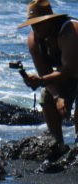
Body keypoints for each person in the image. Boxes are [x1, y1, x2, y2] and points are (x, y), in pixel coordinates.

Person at [20, 0, 78, 148]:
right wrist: (58, 96)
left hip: (71, 69)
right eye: (33, 24)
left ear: (50, 20)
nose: (36, 28)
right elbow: (44, 73)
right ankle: (57, 143)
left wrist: (40, 80)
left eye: (39, 23)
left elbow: (70, 68)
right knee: (47, 98)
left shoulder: (70, 31)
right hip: (68, 73)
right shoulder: (34, 40)